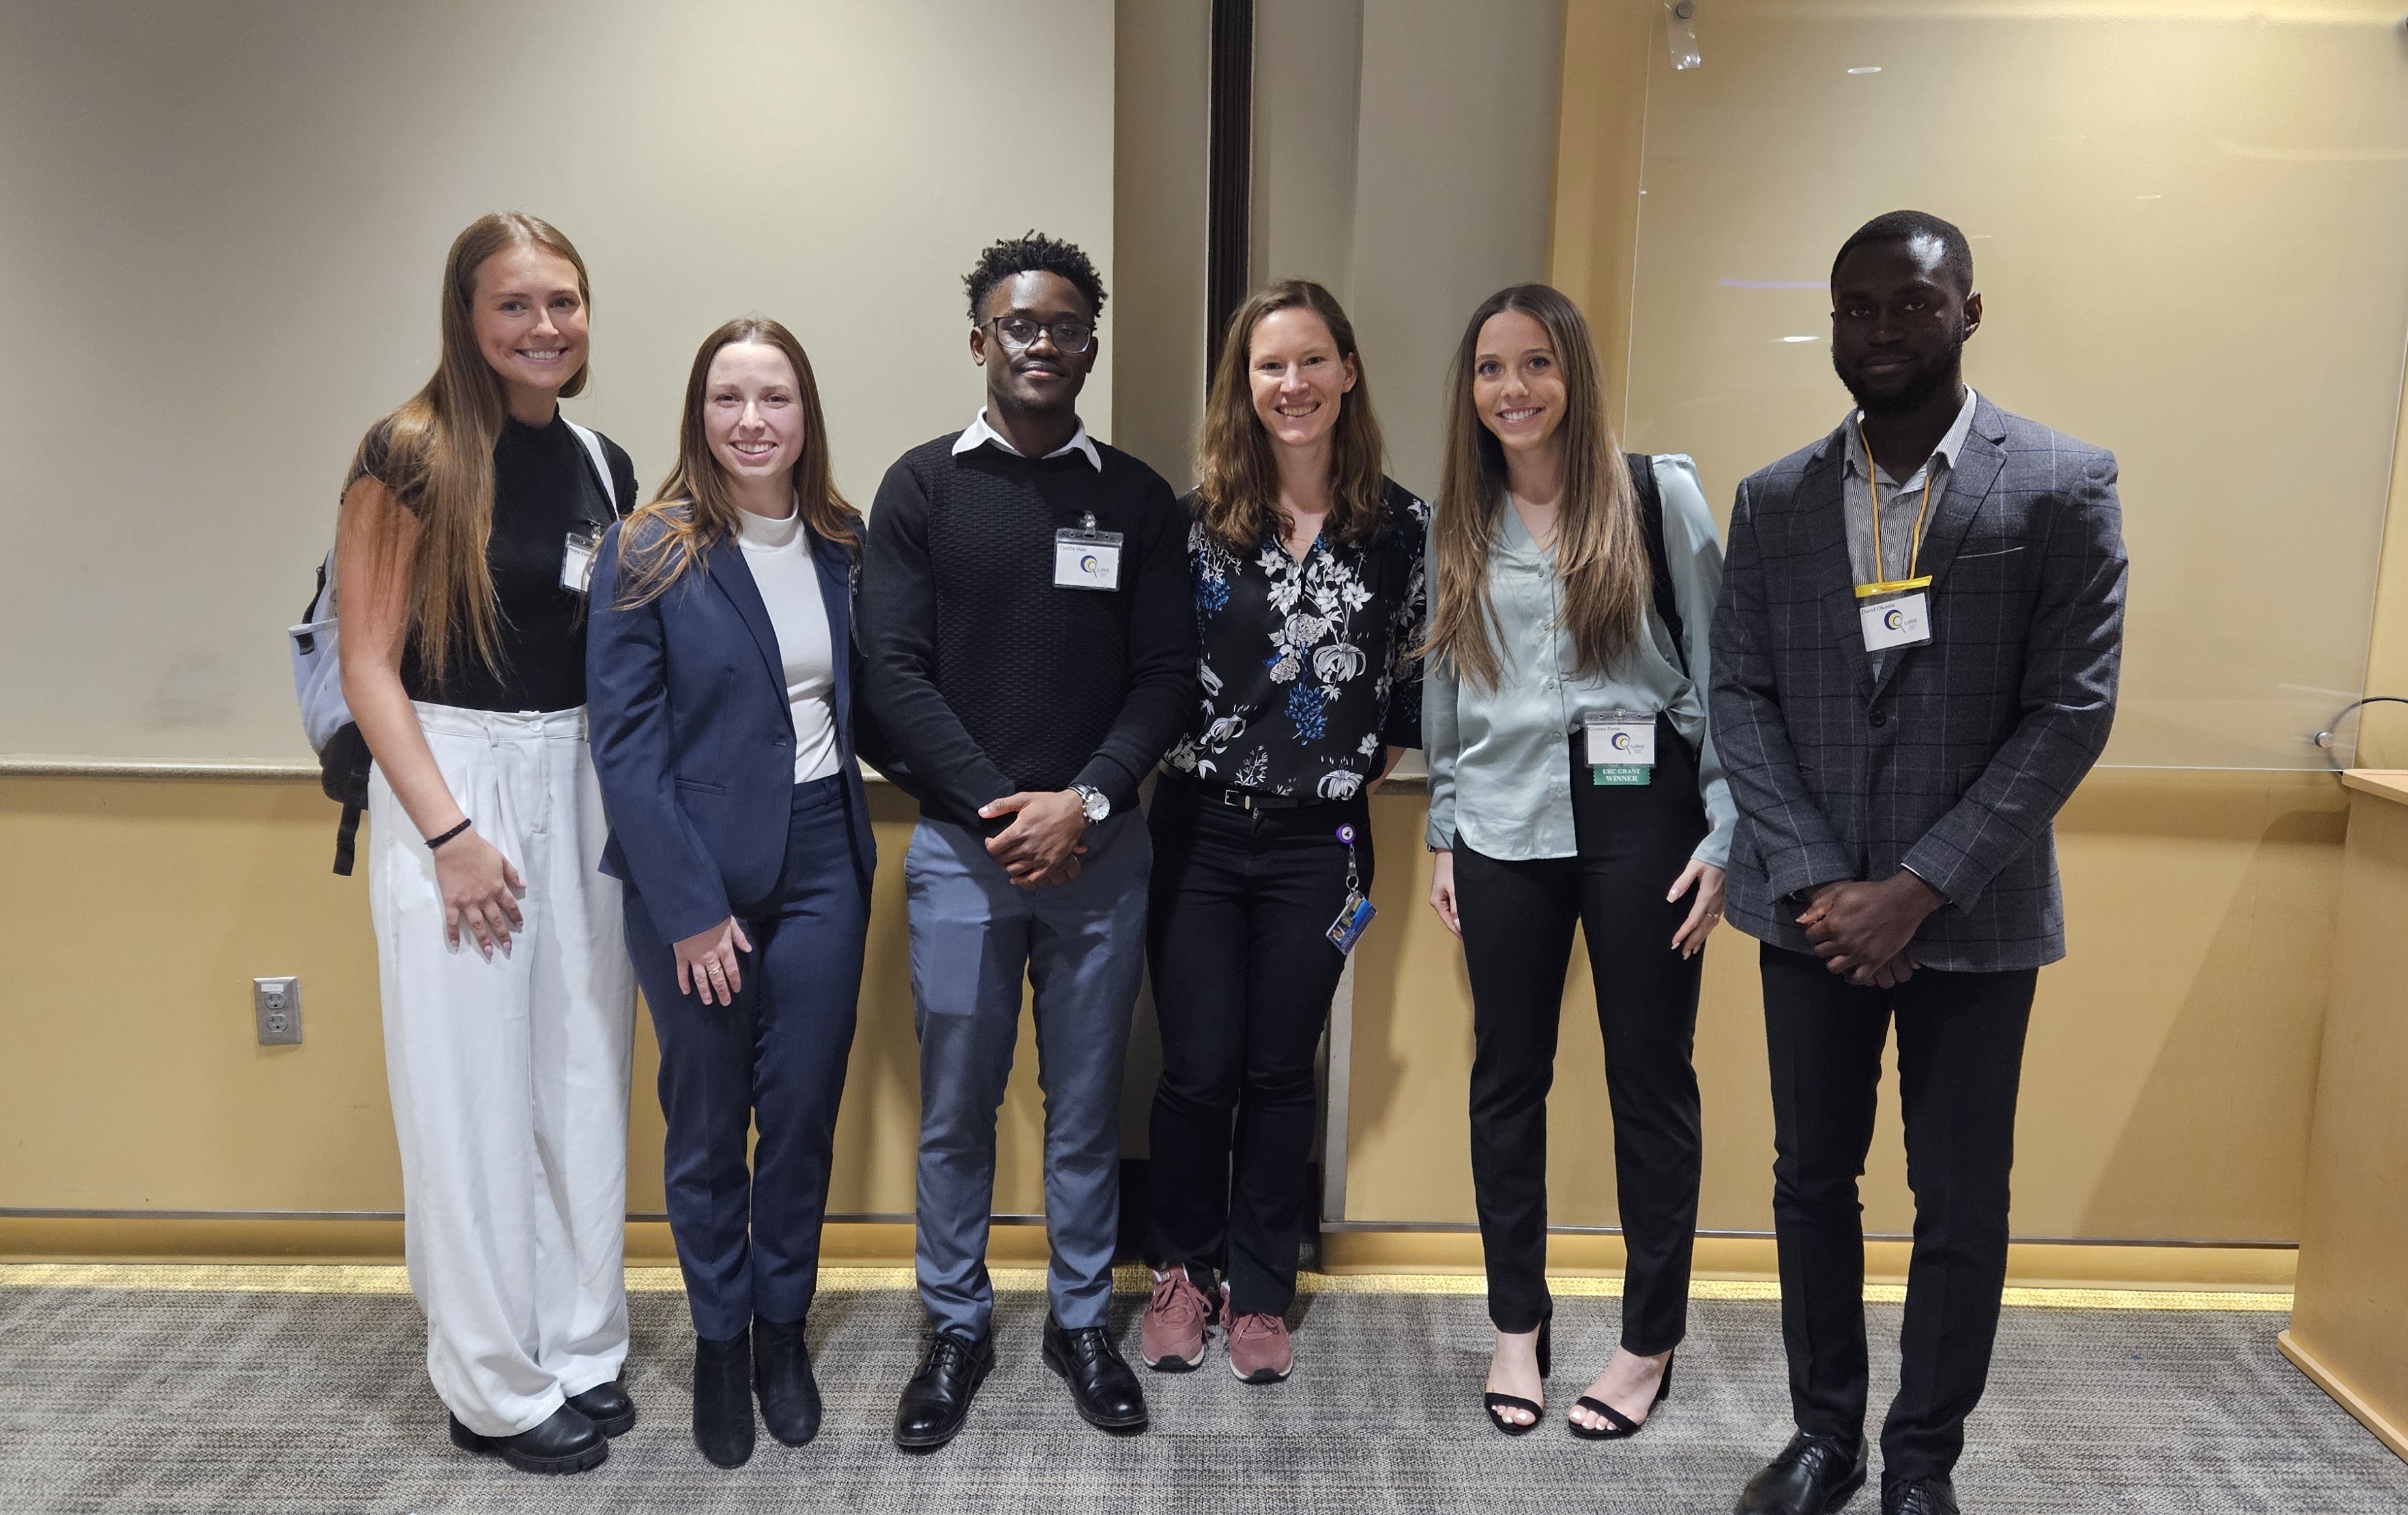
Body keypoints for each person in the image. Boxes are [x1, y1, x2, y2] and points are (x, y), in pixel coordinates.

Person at [1714, 211, 2125, 1515]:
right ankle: (1825, 1435)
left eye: (1910, 304)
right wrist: (1827, 884)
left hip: (1975, 910)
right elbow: (1741, 695)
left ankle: (1921, 1464)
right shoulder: (1776, 499)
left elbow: (2073, 708)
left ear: (1970, 312)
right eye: (1855, 307)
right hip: (1812, 914)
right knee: (1808, 1180)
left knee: (1957, 1199)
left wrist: (1918, 885)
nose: (1881, 330)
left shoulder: (2060, 481)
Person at [857, 231, 1198, 1449]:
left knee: (1089, 1104)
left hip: (1101, 856)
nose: (1041, 344)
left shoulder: (1140, 499)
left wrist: (1088, 803)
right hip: (963, 852)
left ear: (1090, 346)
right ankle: (955, 1323)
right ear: (980, 342)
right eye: (1020, 326)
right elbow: (890, 678)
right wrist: (1009, 808)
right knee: (955, 1105)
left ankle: (1077, 1321)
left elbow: (1165, 678)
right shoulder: (920, 490)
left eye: (1063, 327)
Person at [334, 213, 639, 1477]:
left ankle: (577, 1343)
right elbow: (366, 662)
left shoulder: (606, 461)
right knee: (466, 1093)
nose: (544, 327)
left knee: (582, 1071)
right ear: (467, 315)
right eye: (515, 305)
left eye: (562, 301)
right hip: (453, 776)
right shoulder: (409, 450)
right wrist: (451, 831)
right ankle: (490, 1380)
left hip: (582, 776)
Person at [1421, 282, 1734, 1441]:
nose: (1516, 390)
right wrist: (1447, 826)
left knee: (1651, 1088)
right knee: (1507, 1081)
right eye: (1493, 368)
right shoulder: (1460, 518)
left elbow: (1723, 674)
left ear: (1575, 375)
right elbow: (1447, 689)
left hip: (1644, 819)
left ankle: (1647, 1343)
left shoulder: (1659, 496)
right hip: (1504, 825)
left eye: (1538, 365)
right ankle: (1518, 1327)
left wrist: (1726, 834)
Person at [586, 319, 879, 1468]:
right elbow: (627, 751)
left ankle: (780, 1332)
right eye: (728, 398)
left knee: (801, 1112)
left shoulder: (845, 544)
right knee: (707, 1119)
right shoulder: (647, 549)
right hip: (690, 876)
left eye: (776, 398)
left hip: (820, 863)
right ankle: (716, 1342)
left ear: (807, 416)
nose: (752, 421)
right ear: (698, 414)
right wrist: (695, 908)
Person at [1137, 281, 1426, 1385]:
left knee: (1280, 1068)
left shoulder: (1401, 527)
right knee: (1196, 1069)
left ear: (1348, 371)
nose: (1292, 385)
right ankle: (1182, 1269)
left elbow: (1408, 685)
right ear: (1243, 385)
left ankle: (1260, 1287)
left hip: (1324, 845)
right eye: (1270, 367)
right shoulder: (1195, 519)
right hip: (1201, 832)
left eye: (1312, 362)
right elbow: (1160, 675)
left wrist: (1328, 767)